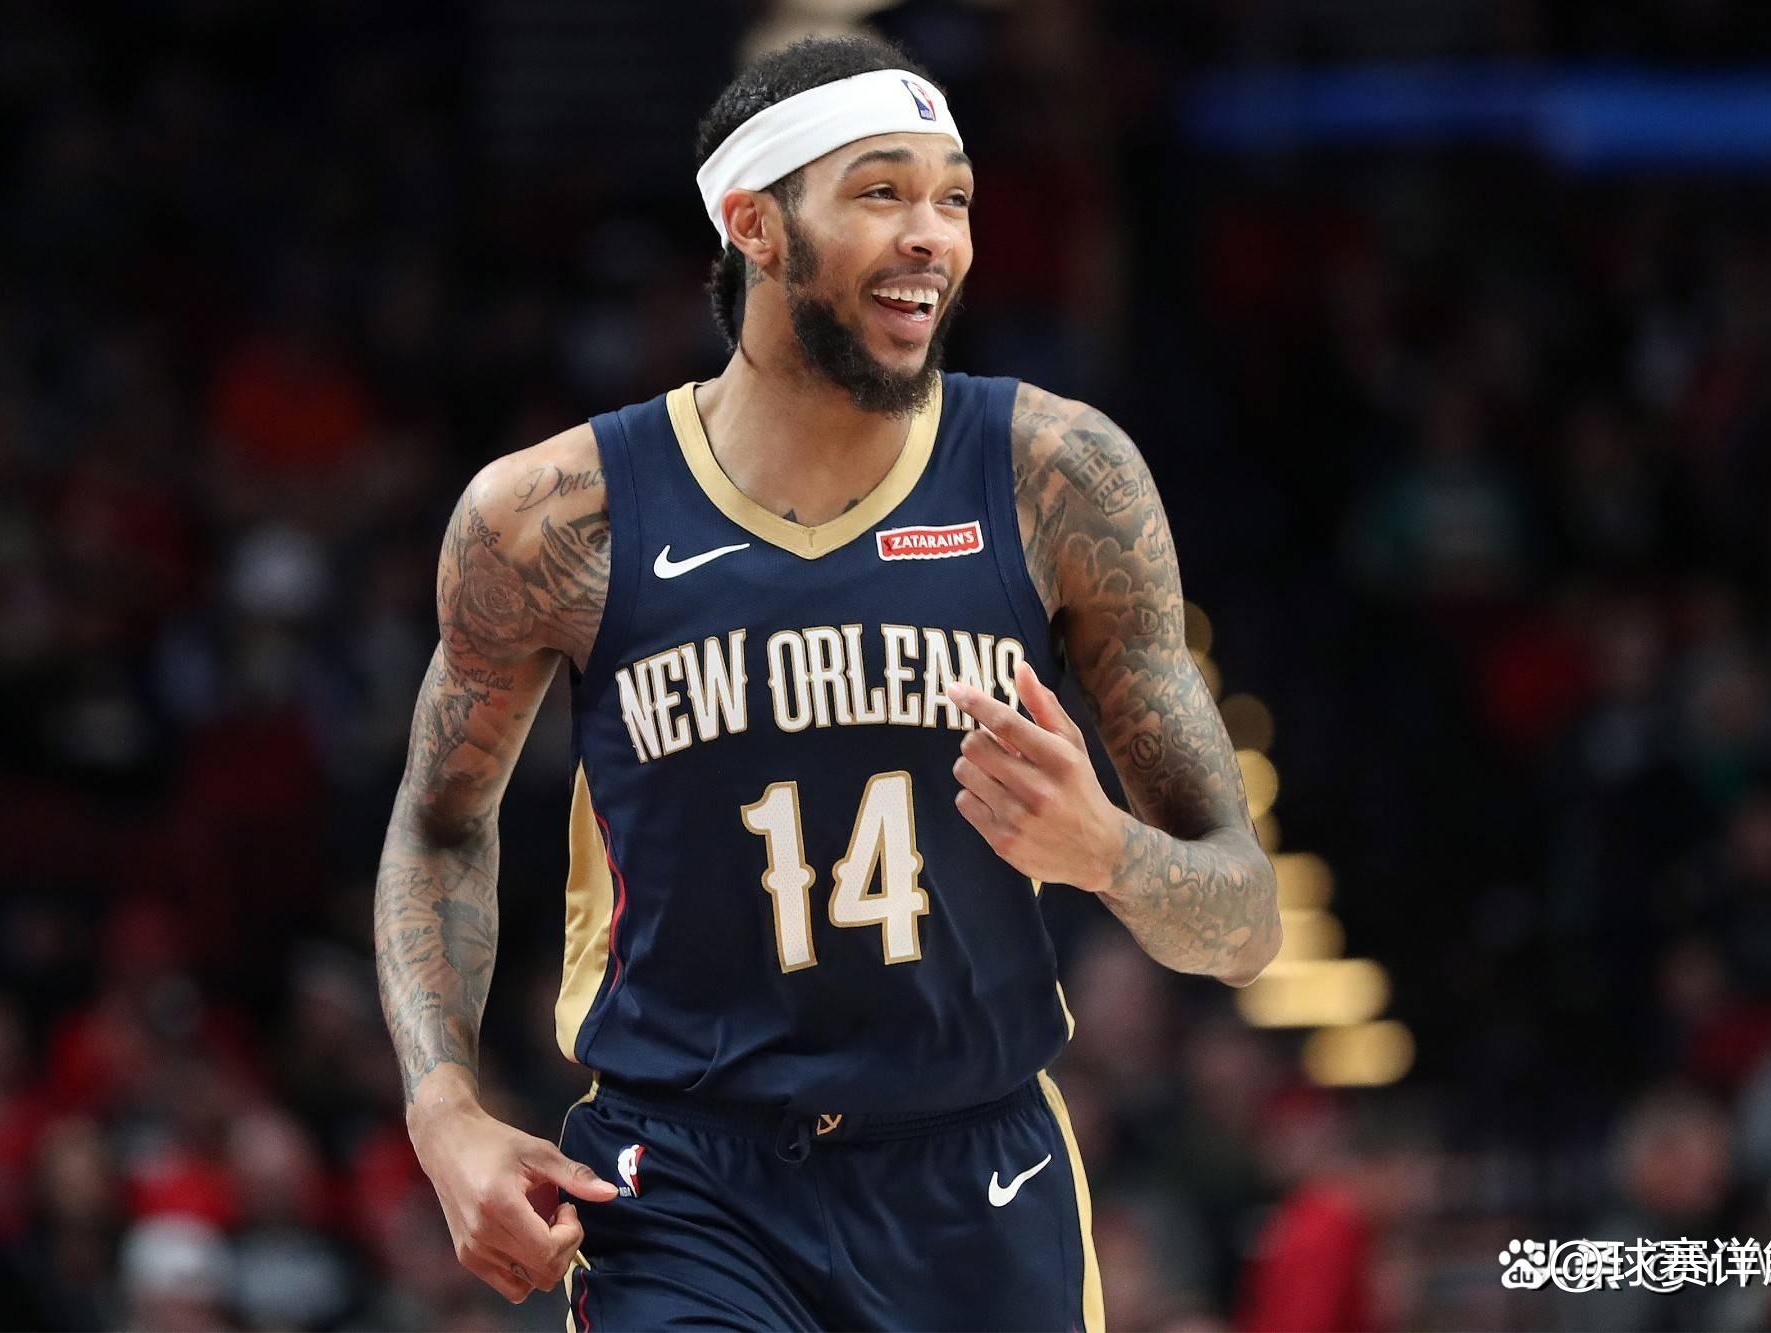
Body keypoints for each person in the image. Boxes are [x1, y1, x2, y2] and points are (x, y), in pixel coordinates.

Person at [372, 33, 1281, 1331]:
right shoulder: (553, 519)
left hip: (976, 1176)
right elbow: (438, 823)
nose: (932, 236)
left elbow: (1245, 924)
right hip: (685, 1180)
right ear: (755, 224)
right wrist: (443, 1109)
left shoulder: (1058, 476)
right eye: (881, 192)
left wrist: (1107, 853)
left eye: (953, 198)